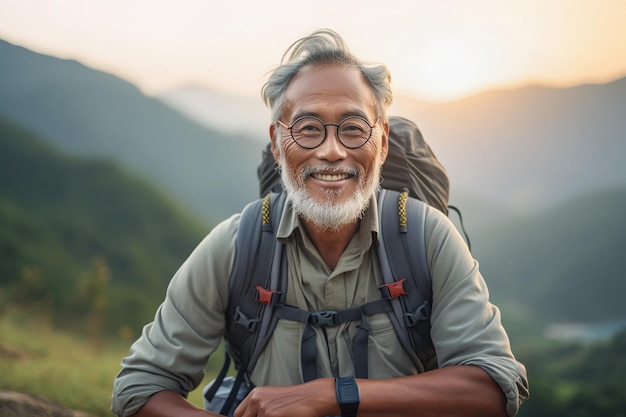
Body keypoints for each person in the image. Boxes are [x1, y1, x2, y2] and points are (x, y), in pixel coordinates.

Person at [112, 28, 529, 417]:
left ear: (381, 142)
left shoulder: (426, 237)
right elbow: (139, 385)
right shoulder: (237, 247)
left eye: (353, 129)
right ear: (277, 143)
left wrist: (334, 394)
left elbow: (493, 385)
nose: (331, 152)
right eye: (309, 129)